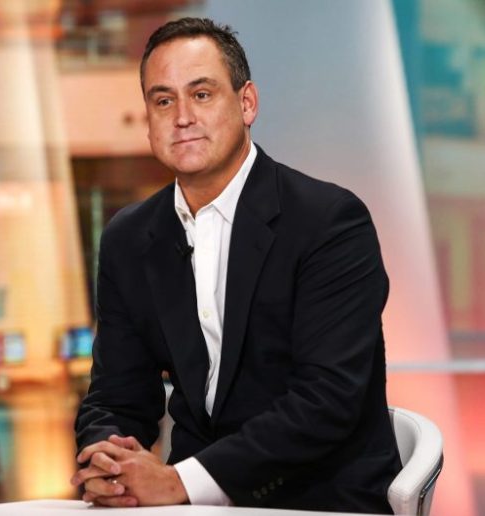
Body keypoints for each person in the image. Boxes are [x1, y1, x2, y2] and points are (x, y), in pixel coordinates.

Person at [71, 17, 401, 513]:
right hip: (190, 504)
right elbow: (117, 396)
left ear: (247, 103)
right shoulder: (129, 238)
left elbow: (328, 401)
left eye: (201, 94)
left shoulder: (330, 221)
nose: (182, 117)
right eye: (163, 101)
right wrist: (109, 463)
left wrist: (181, 482)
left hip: (317, 498)